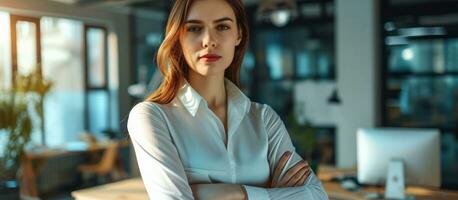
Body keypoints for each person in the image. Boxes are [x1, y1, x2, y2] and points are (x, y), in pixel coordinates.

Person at [127, 0, 328, 199]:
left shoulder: (264, 118)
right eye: (195, 28)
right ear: (178, 36)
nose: (209, 40)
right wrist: (272, 192)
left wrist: (237, 194)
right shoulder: (152, 117)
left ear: (238, 35)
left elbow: (317, 195)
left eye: (222, 27)